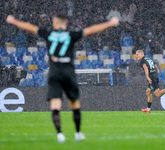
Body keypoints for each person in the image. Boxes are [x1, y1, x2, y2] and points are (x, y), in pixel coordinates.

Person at [6, 14, 119, 143]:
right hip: (68, 74)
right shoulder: (71, 34)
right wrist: (110, 23)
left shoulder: (48, 34)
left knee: (55, 106)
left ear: (55, 23)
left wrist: (14, 20)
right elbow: (91, 30)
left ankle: (60, 134)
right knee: (75, 105)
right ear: (65, 24)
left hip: (54, 74)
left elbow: (29, 27)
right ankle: (77, 133)